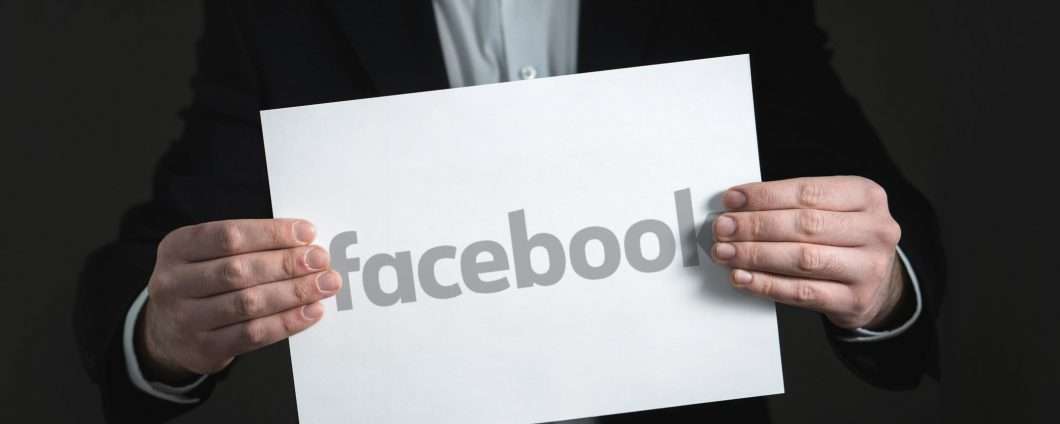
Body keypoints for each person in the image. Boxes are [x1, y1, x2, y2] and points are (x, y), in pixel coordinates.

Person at [75, 1, 944, 422]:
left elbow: (899, 249)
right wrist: (166, 332)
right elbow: (147, 272)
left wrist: (877, 286)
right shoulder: (277, 14)